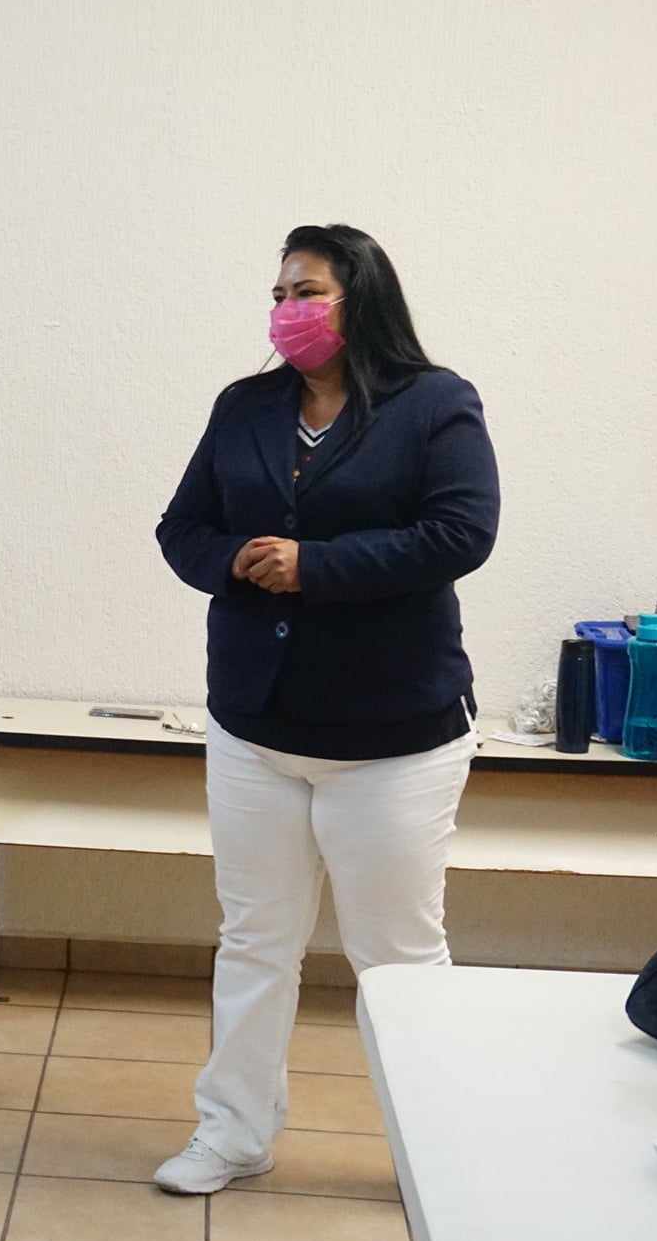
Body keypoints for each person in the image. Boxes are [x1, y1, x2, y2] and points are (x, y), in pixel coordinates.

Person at [152, 224, 500, 1192]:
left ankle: (436, 1155)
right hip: (256, 727)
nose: (285, 310)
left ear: (360, 299)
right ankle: (232, 1133)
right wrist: (235, 559)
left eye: (304, 290)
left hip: (393, 738)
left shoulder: (434, 404)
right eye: (277, 292)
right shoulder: (244, 406)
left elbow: (462, 532)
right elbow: (181, 527)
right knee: (253, 941)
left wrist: (317, 566)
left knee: (396, 956)